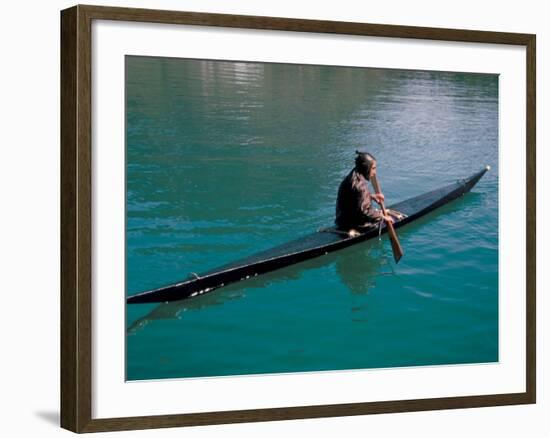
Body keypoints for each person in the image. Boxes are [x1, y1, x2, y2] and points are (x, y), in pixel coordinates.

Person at [335, 151, 394, 232]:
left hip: (341, 222)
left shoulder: (352, 175)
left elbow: (355, 199)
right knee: (380, 220)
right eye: (373, 168)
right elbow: (365, 212)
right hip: (353, 226)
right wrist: (382, 217)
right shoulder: (360, 186)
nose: (374, 172)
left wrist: (371, 196)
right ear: (366, 168)